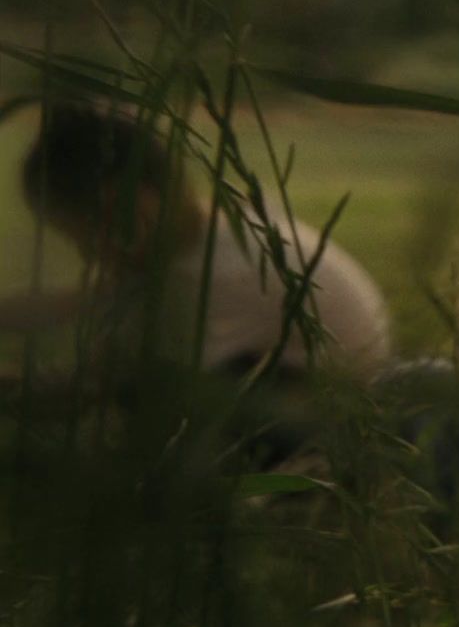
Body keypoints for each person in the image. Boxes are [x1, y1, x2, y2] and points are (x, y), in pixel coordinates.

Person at [0, 102, 393, 461]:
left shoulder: (209, 279)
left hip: (321, 430)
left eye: (82, 237)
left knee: (144, 393)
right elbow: (84, 300)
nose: (88, 256)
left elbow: (88, 387)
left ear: (121, 206)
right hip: (316, 394)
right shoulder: (223, 224)